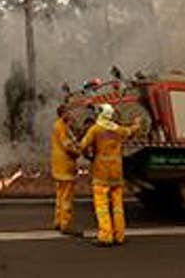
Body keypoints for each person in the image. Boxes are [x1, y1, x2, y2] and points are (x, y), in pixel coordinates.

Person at [79, 103, 142, 246]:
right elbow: (131, 131)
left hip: (101, 172)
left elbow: (82, 146)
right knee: (118, 206)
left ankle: (106, 236)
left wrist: (88, 156)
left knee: (102, 205)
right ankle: (119, 235)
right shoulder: (118, 130)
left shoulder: (96, 129)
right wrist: (137, 123)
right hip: (116, 171)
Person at [50, 105, 80, 235]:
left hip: (58, 165)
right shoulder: (61, 127)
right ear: (63, 114)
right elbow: (67, 146)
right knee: (67, 197)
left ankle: (58, 221)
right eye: (69, 112)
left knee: (60, 195)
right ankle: (66, 225)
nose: (71, 114)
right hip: (65, 165)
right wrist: (78, 152)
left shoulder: (58, 125)